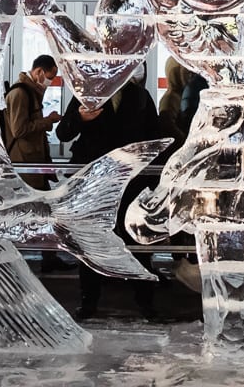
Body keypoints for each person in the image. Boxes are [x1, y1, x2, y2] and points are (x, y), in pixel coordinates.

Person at [56, 73, 160, 319]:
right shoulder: (88, 94)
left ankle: (145, 301)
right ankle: (89, 301)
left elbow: (154, 133)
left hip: (130, 179)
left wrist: (152, 178)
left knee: (135, 237)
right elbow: (63, 133)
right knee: (90, 238)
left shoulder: (139, 96)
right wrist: (80, 117)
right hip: (93, 179)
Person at [3, 53, 72, 272]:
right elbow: (19, 129)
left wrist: (44, 123)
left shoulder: (31, 92)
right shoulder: (20, 94)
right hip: (25, 163)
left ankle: (47, 258)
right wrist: (47, 121)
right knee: (40, 211)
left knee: (42, 212)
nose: (50, 82)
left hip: (33, 161)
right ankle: (43, 259)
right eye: (50, 76)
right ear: (39, 71)